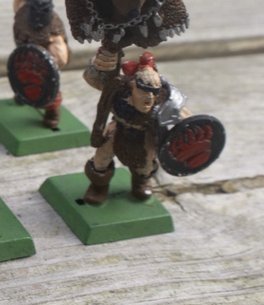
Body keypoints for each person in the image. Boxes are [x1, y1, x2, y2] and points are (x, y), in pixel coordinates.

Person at [81, 50, 190, 204]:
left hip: (146, 135)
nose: (149, 97)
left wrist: (188, 126)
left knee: (145, 166)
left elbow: (187, 119)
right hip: (119, 130)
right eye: (143, 91)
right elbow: (93, 79)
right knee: (101, 159)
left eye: (153, 91)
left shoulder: (166, 100)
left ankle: (141, 183)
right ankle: (98, 186)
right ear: (133, 86)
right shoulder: (118, 91)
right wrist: (99, 64)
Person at [12, 0, 69, 128]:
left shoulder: (53, 24)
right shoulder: (24, 11)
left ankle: (52, 114)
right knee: (21, 78)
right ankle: (22, 95)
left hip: (43, 63)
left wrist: (53, 62)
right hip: (25, 57)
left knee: (49, 89)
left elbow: (61, 55)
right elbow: (18, 2)